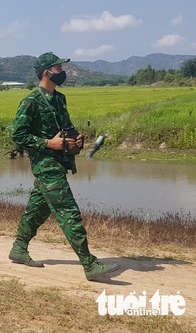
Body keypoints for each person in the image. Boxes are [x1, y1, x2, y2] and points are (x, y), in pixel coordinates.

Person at [9, 52, 119, 281]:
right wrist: (48, 143)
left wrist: (76, 139)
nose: (63, 72)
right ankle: (89, 264)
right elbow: (18, 135)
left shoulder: (60, 99)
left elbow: (67, 127)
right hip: (45, 163)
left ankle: (18, 249)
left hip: (60, 161)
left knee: (39, 208)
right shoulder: (31, 101)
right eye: (58, 68)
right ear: (47, 72)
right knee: (68, 212)